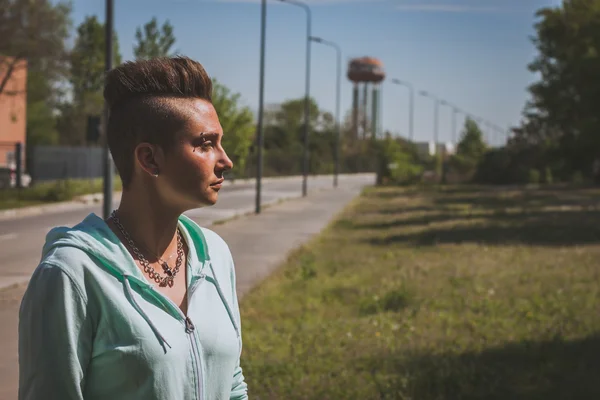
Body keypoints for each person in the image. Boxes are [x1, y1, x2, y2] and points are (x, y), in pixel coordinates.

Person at [18, 56, 248, 400]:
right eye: (205, 144)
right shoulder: (70, 276)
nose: (225, 160)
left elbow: (232, 384)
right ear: (149, 159)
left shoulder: (214, 254)